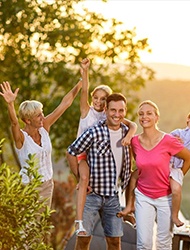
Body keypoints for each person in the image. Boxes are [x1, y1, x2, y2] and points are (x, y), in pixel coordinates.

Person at [73, 58, 137, 237]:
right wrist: (85, 71)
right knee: (84, 178)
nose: (98, 102)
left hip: (98, 159)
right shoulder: (87, 111)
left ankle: (129, 210)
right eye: (96, 98)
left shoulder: (108, 115)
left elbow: (132, 124)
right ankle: (79, 220)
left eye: (103, 99)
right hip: (82, 153)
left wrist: (130, 135)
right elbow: (84, 90)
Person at [119, 100, 190, 250]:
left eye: (149, 113)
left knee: (164, 243)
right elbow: (137, 169)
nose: (144, 117)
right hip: (143, 196)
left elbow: (189, 157)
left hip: (165, 198)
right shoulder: (134, 142)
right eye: (141, 114)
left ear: (156, 117)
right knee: (144, 243)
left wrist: (177, 177)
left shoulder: (168, 140)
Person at [0, 80, 82, 208]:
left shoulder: (44, 128)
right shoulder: (21, 138)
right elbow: (14, 123)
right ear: (27, 120)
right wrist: (10, 104)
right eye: (38, 115)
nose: (42, 117)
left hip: (47, 185)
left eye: (42, 113)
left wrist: (82, 81)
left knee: (41, 225)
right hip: (29, 187)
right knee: (29, 226)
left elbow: (64, 104)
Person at [66, 93, 132, 250]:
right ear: (106, 109)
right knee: (83, 240)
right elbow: (71, 151)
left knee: (115, 242)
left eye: (121, 110)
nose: (117, 114)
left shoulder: (127, 133)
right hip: (92, 195)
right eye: (113, 110)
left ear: (125, 111)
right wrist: (80, 179)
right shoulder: (94, 132)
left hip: (114, 197)